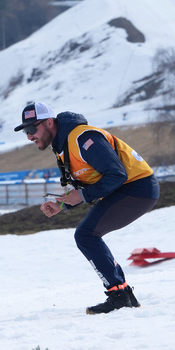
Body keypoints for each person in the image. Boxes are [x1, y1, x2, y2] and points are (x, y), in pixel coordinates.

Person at [18, 102, 159, 314]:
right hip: (125, 189)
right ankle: (122, 294)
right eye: (25, 132)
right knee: (86, 235)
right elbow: (87, 185)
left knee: (86, 235)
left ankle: (120, 295)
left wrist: (80, 196)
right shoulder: (63, 145)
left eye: (31, 129)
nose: (29, 136)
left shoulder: (83, 138)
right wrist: (61, 204)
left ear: (49, 123)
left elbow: (116, 174)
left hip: (137, 188)